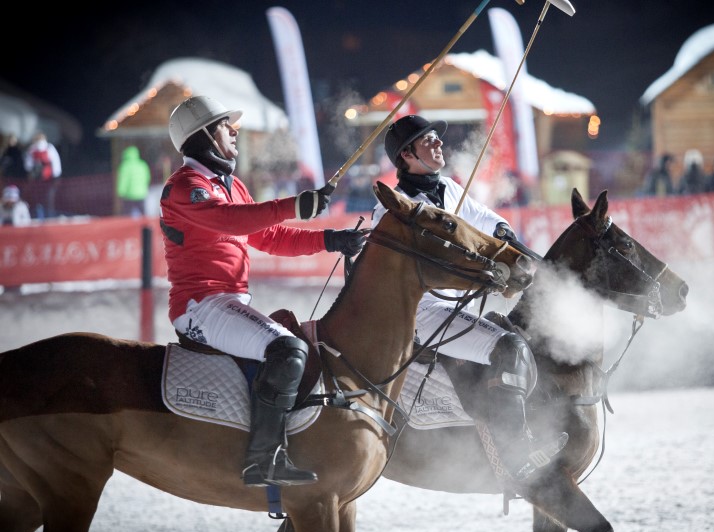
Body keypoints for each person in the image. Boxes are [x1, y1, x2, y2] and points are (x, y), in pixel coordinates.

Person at [161, 95, 368, 487]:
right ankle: (262, 460)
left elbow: (268, 236)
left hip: (228, 303)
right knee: (289, 350)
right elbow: (229, 221)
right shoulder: (186, 186)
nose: (234, 130)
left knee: (292, 345)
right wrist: (296, 204)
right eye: (225, 125)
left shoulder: (232, 185)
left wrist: (331, 239)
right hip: (200, 307)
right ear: (203, 136)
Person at [371, 114, 567, 484]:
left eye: (436, 138)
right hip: (421, 310)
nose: (438, 143)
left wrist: (528, 256)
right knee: (509, 347)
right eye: (427, 140)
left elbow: (491, 225)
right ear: (406, 155)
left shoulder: (449, 188)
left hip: (450, 305)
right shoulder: (392, 208)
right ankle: (517, 455)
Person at [116, 145, 151, 217]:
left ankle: (127, 228)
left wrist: (120, 193)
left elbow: (123, 181)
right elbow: (147, 178)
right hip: (141, 194)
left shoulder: (125, 166)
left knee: (127, 217)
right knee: (143, 215)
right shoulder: (143, 164)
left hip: (129, 196)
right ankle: (146, 227)